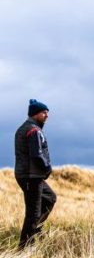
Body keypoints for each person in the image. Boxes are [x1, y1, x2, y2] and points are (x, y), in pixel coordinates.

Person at [14, 99, 57, 249]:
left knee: (50, 198)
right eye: (44, 113)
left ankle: (35, 230)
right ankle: (24, 249)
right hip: (31, 177)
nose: (47, 116)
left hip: (29, 176)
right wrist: (47, 168)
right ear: (35, 114)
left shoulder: (25, 128)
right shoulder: (33, 130)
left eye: (47, 113)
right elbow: (37, 154)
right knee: (33, 213)